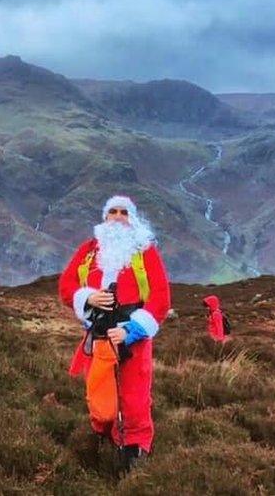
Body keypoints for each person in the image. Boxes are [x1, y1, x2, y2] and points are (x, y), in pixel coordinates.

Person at [58, 195, 171, 471]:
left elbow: (161, 297)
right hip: (98, 336)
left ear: (131, 218)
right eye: (112, 212)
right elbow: (66, 285)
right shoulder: (88, 251)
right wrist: (88, 297)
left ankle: (134, 455)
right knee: (100, 394)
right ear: (105, 217)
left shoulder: (145, 252)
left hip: (133, 338)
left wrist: (132, 330)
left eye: (124, 212)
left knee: (134, 398)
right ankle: (101, 438)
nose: (118, 217)